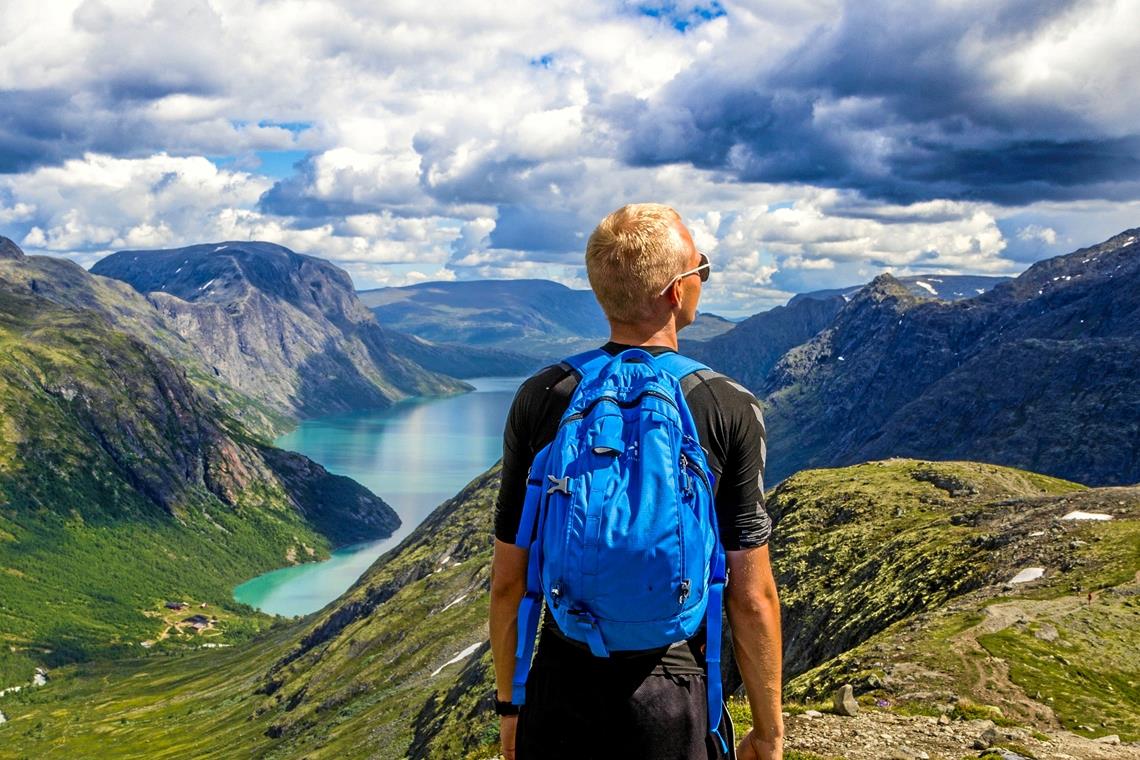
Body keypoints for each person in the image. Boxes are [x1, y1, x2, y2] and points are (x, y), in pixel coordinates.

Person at [489, 203, 784, 760]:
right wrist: (768, 733)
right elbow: (751, 596)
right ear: (678, 292)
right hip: (671, 694)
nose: (702, 279)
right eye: (702, 268)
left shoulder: (544, 395)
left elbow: (509, 582)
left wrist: (511, 709)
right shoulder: (727, 406)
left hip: (560, 684)